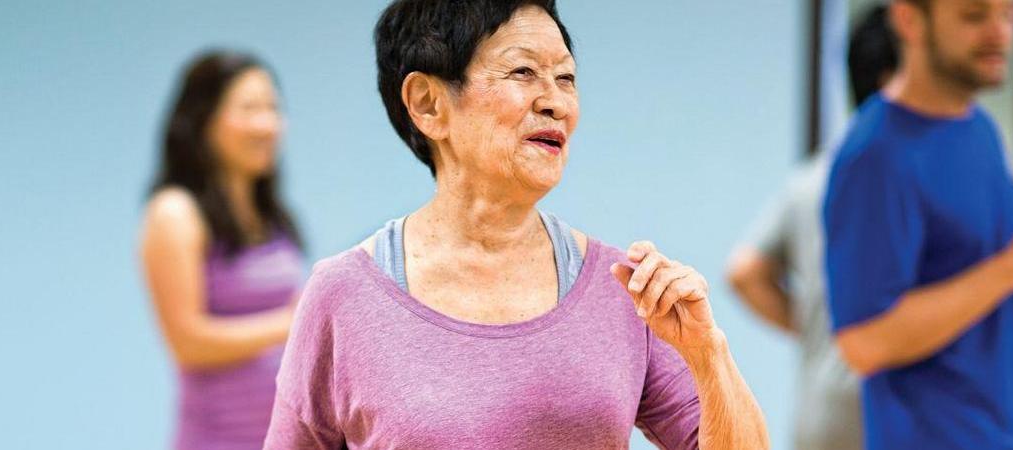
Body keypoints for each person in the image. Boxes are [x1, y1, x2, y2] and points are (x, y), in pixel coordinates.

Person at [262, 1, 768, 448]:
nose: (557, 102)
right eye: (523, 72)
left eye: (566, 78)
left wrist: (707, 352)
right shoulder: (344, 294)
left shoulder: (627, 289)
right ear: (427, 104)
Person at [822, 0, 1013, 448]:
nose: (1000, 33)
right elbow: (863, 342)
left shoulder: (980, 129)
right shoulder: (875, 155)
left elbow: (994, 300)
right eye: (975, 16)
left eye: (1005, 15)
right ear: (909, 19)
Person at [725, 5, 897, 450]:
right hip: (894, 415)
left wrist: (820, 329)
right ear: (890, 81)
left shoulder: (816, 176)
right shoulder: (926, 178)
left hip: (823, 416)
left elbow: (744, 271)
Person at [139, 50, 306, 450]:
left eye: (273, 108)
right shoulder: (175, 214)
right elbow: (187, 341)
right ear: (202, 120)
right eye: (249, 108)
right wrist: (294, 321)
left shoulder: (271, 216)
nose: (267, 124)